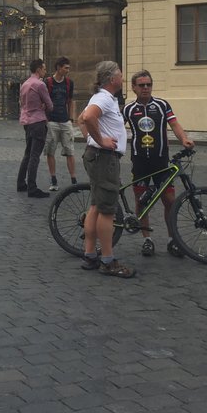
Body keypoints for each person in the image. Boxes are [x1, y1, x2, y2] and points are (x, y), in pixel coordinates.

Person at [122, 70, 195, 258]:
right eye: (141, 85)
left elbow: (175, 124)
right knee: (141, 202)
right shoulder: (129, 109)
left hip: (161, 161)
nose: (146, 88)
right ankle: (147, 239)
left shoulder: (162, 105)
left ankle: (172, 240)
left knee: (169, 201)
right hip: (139, 161)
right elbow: (117, 129)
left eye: (149, 85)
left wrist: (184, 139)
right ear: (134, 88)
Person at [80, 61, 134, 278]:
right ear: (112, 79)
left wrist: (92, 139)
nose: (122, 77)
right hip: (104, 159)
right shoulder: (103, 98)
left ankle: (90, 254)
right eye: (120, 74)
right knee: (107, 210)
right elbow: (87, 118)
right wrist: (100, 140)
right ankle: (108, 261)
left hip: (98, 156)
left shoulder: (103, 97)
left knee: (95, 206)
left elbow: (80, 119)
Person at [16, 59, 52, 198]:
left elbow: (22, 103)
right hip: (37, 121)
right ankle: (32, 187)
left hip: (26, 121)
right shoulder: (40, 84)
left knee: (28, 153)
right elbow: (50, 105)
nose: (45, 71)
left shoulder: (24, 84)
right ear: (38, 69)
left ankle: (21, 183)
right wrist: (43, 106)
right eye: (43, 68)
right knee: (34, 156)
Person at [43, 56, 77, 191]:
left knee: (70, 150)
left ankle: (74, 180)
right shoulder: (48, 82)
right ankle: (53, 179)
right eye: (66, 68)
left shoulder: (69, 83)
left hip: (65, 121)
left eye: (68, 68)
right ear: (58, 67)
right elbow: (44, 101)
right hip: (51, 121)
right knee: (50, 151)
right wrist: (46, 120)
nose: (68, 70)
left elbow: (70, 101)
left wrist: (71, 118)